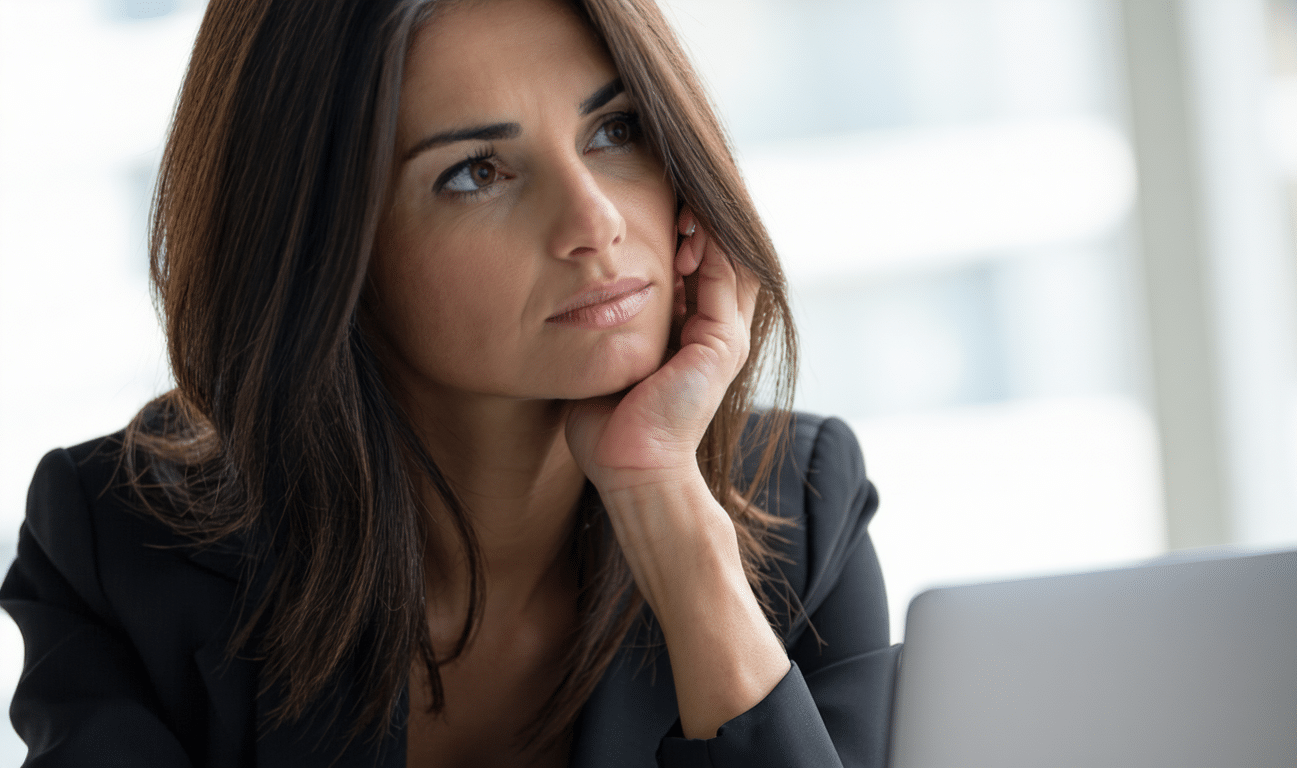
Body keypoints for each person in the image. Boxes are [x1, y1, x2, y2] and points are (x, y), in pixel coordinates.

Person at [0, 0, 899, 765]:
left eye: (615, 130)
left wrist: (665, 504)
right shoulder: (118, 551)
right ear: (321, 248)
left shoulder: (802, 506)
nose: (595, 222)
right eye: (477, 172)